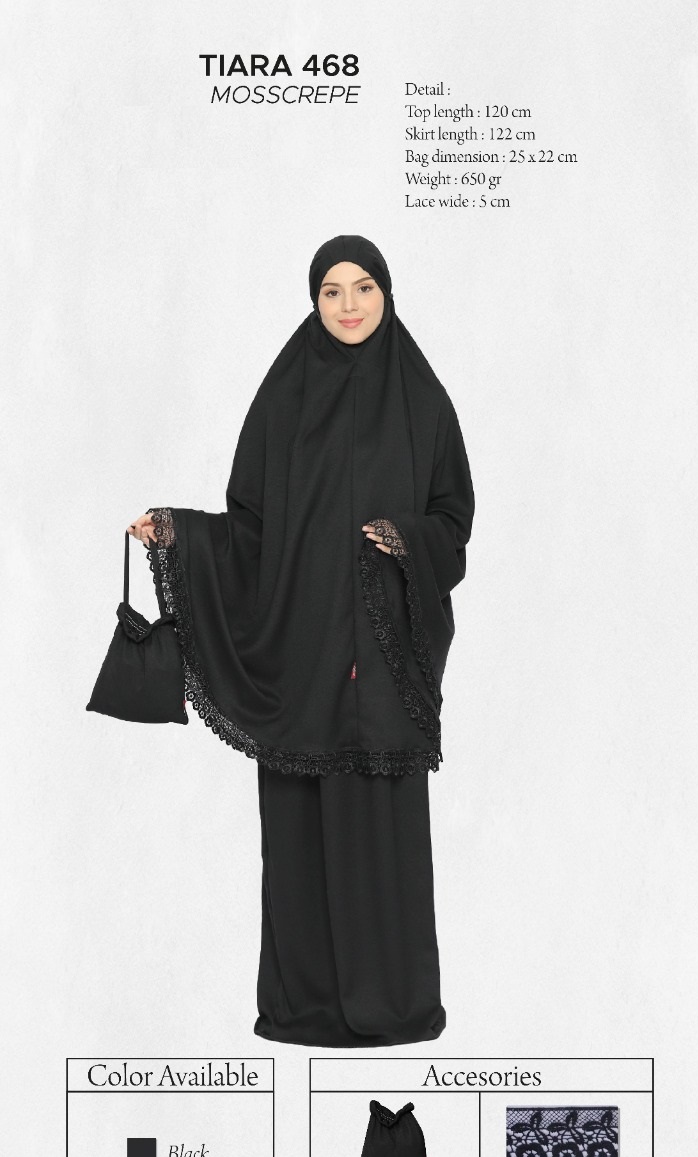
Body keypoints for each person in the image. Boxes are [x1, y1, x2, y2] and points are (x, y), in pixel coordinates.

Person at [128, 234, 474, 1048]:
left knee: (383, 837)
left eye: (364, 288)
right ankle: (303, 1008)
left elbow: (453, 520)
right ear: (314, 300)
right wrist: (178, 533)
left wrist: (407, 539)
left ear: (387, 293)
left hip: (385, 661)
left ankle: (395, 1007)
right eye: (331, 291)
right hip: (302, 654)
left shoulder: (424, 401)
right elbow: (248, 528)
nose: (349, 305)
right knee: (298, 838)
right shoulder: (284, 398)